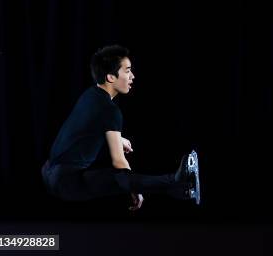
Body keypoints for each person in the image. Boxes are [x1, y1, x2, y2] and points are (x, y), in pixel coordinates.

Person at [41, 45, 200, 210]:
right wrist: (133, 186)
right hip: (65, 183)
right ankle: (177, 181)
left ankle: (182, 190)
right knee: (119, 177)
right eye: (127, 71)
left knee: (119, 179)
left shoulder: (91, 94)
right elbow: (119, 161)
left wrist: (120, 139)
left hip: (49, 173)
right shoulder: (110, 111)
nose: (132, 76)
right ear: (110, 77)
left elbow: (85, 129)